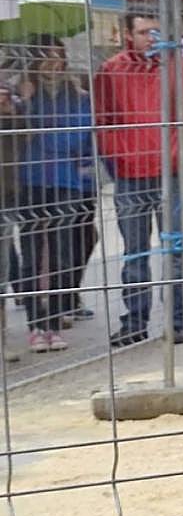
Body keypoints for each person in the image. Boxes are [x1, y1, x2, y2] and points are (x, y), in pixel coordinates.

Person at [94, 12, 183, 347]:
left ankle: (176, 323)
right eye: (144, 31)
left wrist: (180, 149)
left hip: (170, 174)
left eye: (156, 30)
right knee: (134, 253)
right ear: (128, 35)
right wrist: (119, 154)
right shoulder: (113, 70)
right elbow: (103, 118)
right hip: (130, 175)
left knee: (174, 249)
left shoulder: (177, 69)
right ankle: (134, 322)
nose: (151, 37)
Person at [16, 37, 96, 353]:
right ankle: (36, 324)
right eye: (46, 57)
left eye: (58, 57)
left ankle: (57, 318)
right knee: (33, 253)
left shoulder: (76, 94)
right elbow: (20, 130)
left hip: (66, 181)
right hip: (31, 180)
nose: (54, 63)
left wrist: (46, 134)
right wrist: (26, 105)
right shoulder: (23, 93)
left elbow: (78, 136)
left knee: (64, 251)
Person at [0, 84, 25, 362]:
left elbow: (24, 139)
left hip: (4, 197)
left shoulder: (9, 108)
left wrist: (9, 114)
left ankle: (3, 340)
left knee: (2, 272)